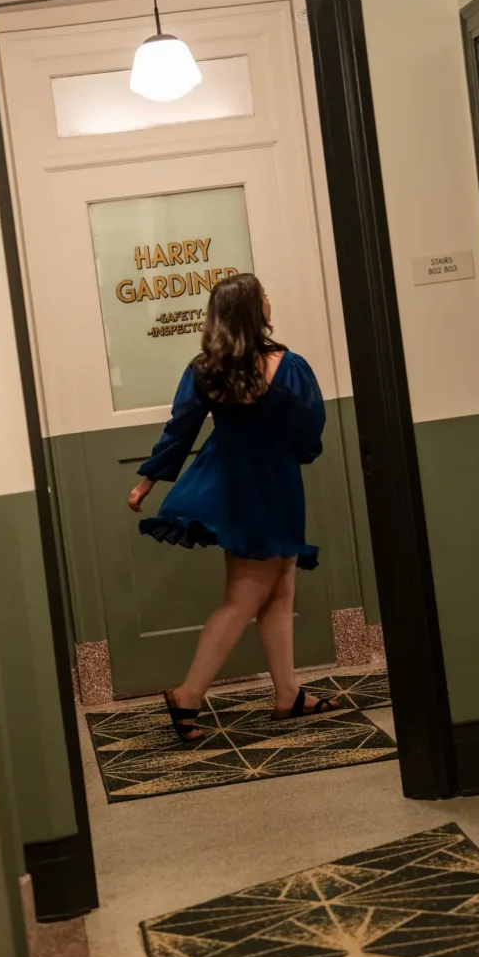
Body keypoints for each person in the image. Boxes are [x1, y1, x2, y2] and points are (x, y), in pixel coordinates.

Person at [128, 273, 338, 742]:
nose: (269, 300)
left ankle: (287, 694)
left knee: (280, 589)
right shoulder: (289, 366)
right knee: (243, 597)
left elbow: (179, 430)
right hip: (271, 483)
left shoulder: (205, 369)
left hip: (227, 483)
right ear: (251, 309)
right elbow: (308, 431)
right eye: (264, 295)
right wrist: (290, 456)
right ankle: (188, 694)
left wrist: (148, 482)